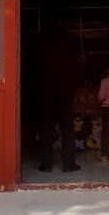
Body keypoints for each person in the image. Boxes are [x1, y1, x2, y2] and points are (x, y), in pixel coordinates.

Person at [37, 23, 81, 173]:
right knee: (67, 127)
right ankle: (68, 164)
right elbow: (77, 64)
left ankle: (46, 164)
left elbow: (34, 65)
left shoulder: (41, 40)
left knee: (46, 128)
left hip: (46, 89)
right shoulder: (71, 39)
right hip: (66, 89)